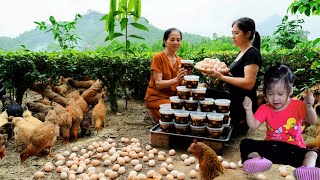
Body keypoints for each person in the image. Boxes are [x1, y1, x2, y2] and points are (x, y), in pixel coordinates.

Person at [240, 64, 319, 179]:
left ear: (290, 91)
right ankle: (256, 160)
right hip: (271, 148)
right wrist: (248, 110)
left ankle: (307, 170)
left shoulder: (298, 106)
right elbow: (253, 126)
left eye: (280, 94)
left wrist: (309, 107)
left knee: (313, 154)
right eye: (270, 94)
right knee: (246, 143)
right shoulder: (265, 108)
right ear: (265, 93)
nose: (275, 98)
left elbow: (312, 120)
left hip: (293, 149)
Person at [203, 17, 262, 135]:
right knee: (202, 92)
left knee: (206, 95)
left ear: (248, 34)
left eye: (236, 33)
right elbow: (236, 76)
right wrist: (221, 73)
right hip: (233, 97)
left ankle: (241, 121)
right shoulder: (241, 52)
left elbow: (249, 83)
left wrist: (221, 77)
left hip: (242, 103)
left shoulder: (252, 54)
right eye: (232, 33)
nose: (233, 36)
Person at [144, 28, 188, 123]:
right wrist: (177, 79)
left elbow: (180, 84)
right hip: (157, 97)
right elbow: (159, 84)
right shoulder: (158, 58)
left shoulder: (181, 60)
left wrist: (186, 81)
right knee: (176, 116)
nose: (175, 42)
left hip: (173, 98)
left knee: (192, 106)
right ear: (165, 41)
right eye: (172, 39)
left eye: (178, 40)